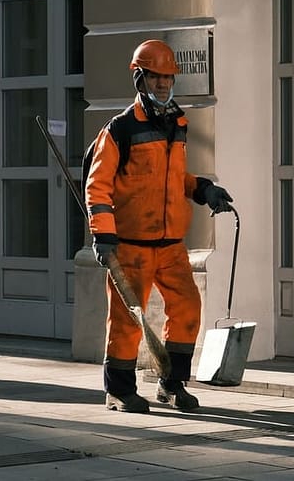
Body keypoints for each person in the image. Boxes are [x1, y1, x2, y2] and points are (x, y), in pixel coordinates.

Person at [85, 39, 233, 414]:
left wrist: (203, 189)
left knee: (187, 306)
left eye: (168, 78)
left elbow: (172, 178)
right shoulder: (119, 130)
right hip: (131, 244)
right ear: (140, 79)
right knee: (128, 318)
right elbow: (97, 186)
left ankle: (171, 383)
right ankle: (119, 390)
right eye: (155, 77)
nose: (164, 84)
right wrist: (103, 235)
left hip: (169, 244)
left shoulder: (176, 124)